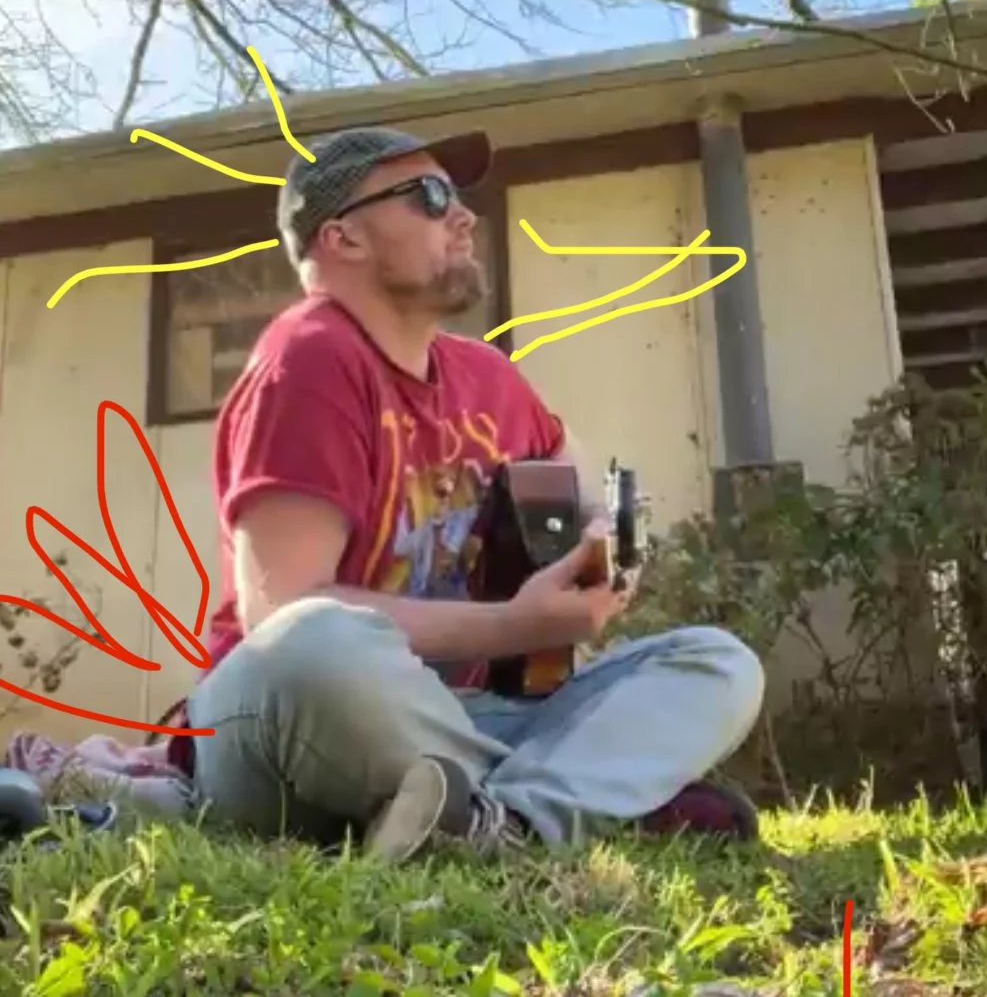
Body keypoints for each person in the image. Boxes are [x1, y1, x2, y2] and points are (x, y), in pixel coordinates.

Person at [167, 125, 766, 861]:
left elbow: (578, 473)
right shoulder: (308, 361)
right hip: (282, 720)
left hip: (462, 718)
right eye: (428, 196)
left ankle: (497, 825)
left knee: (715, 662)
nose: (463, 216)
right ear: (342, 238)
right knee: (319, 642)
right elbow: (282, 611)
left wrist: (603, 539)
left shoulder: (484, 375)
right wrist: (516, 626)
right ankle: (591, 796)